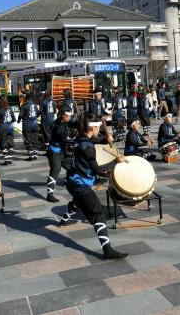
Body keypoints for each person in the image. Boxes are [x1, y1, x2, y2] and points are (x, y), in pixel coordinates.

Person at [58, 113, 129, 260]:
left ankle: (63, 219)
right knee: (98, 214)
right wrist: (117, 161)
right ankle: (107, 250)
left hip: (72, 182)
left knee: (78, 203)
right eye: (98, 127)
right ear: (94, 127)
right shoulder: (87, 147)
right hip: (80, 185)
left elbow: (94, 140)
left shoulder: (81, 138)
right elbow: (97, 170)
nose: (100, 130)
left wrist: (105, 139)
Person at [46, 110, 75, 203]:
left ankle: (68, 182)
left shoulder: (63, 122)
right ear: (63, 116)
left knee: (72, 166)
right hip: (54, 151)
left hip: (62, 151)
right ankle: (49, 195)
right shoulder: (58, 127)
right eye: (68, 116)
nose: (70, 118)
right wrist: (77, 141)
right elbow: (66, 141)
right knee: (55, 170)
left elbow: (74, 124)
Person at [18, 92, 40, 161]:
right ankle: (35, 154)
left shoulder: (24, 105)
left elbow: (21, 115)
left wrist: (18, 120)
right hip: (35, 124)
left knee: (28, 140)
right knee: (35, 139)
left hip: (27, 124)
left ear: (26, 97)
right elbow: (38, 113)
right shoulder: (35, 105)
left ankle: (31, 155)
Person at [0, 95, 16, 165]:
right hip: (10, 126)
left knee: (3, 144)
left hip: (2, 127)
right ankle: (10, 159)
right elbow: (14, 119)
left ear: (0, 101)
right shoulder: (10, 109)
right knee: (10, 143)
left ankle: (7, 160)